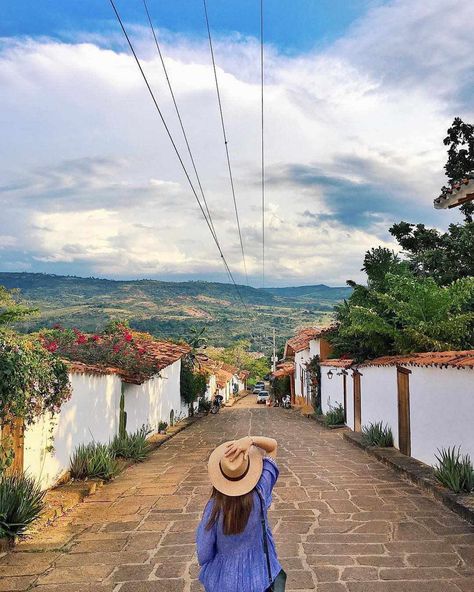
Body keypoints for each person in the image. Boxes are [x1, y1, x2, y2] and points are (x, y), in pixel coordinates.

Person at [196, 436, 286, 592]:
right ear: (248, 470)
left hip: (224, 582)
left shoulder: (213, 509)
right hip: (261, 577)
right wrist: (250, 440)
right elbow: (272, 447)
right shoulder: (261, 492)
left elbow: (204, 553)